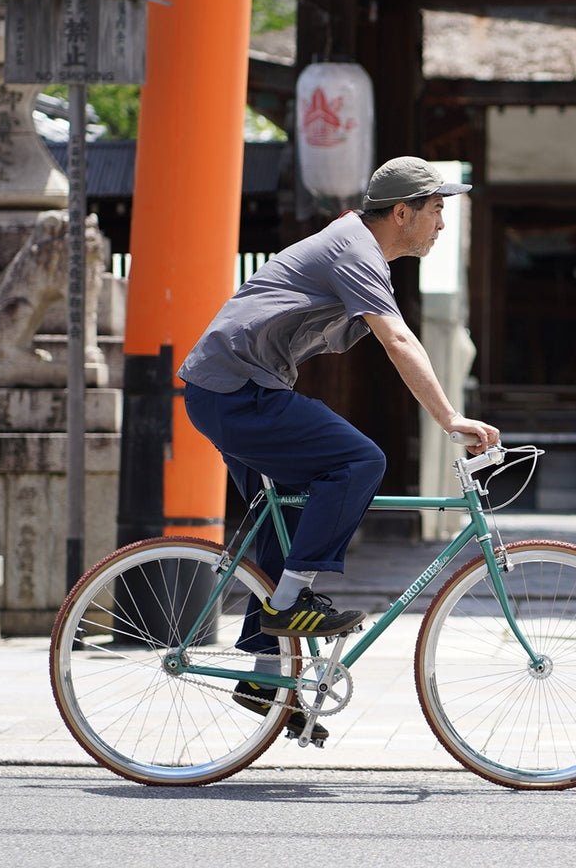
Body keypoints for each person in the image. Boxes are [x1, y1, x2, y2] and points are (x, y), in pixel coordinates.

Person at [179, 156, 499, 737]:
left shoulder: (358, 247)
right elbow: (397, 339)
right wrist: (450, 417)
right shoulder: (354, 249)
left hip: (230, 390)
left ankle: (263, 675)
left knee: (290, 516)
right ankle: (286, 607)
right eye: (435, 211)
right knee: (360, 460)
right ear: (401, 212)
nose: (441, 225)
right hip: (235, 393)